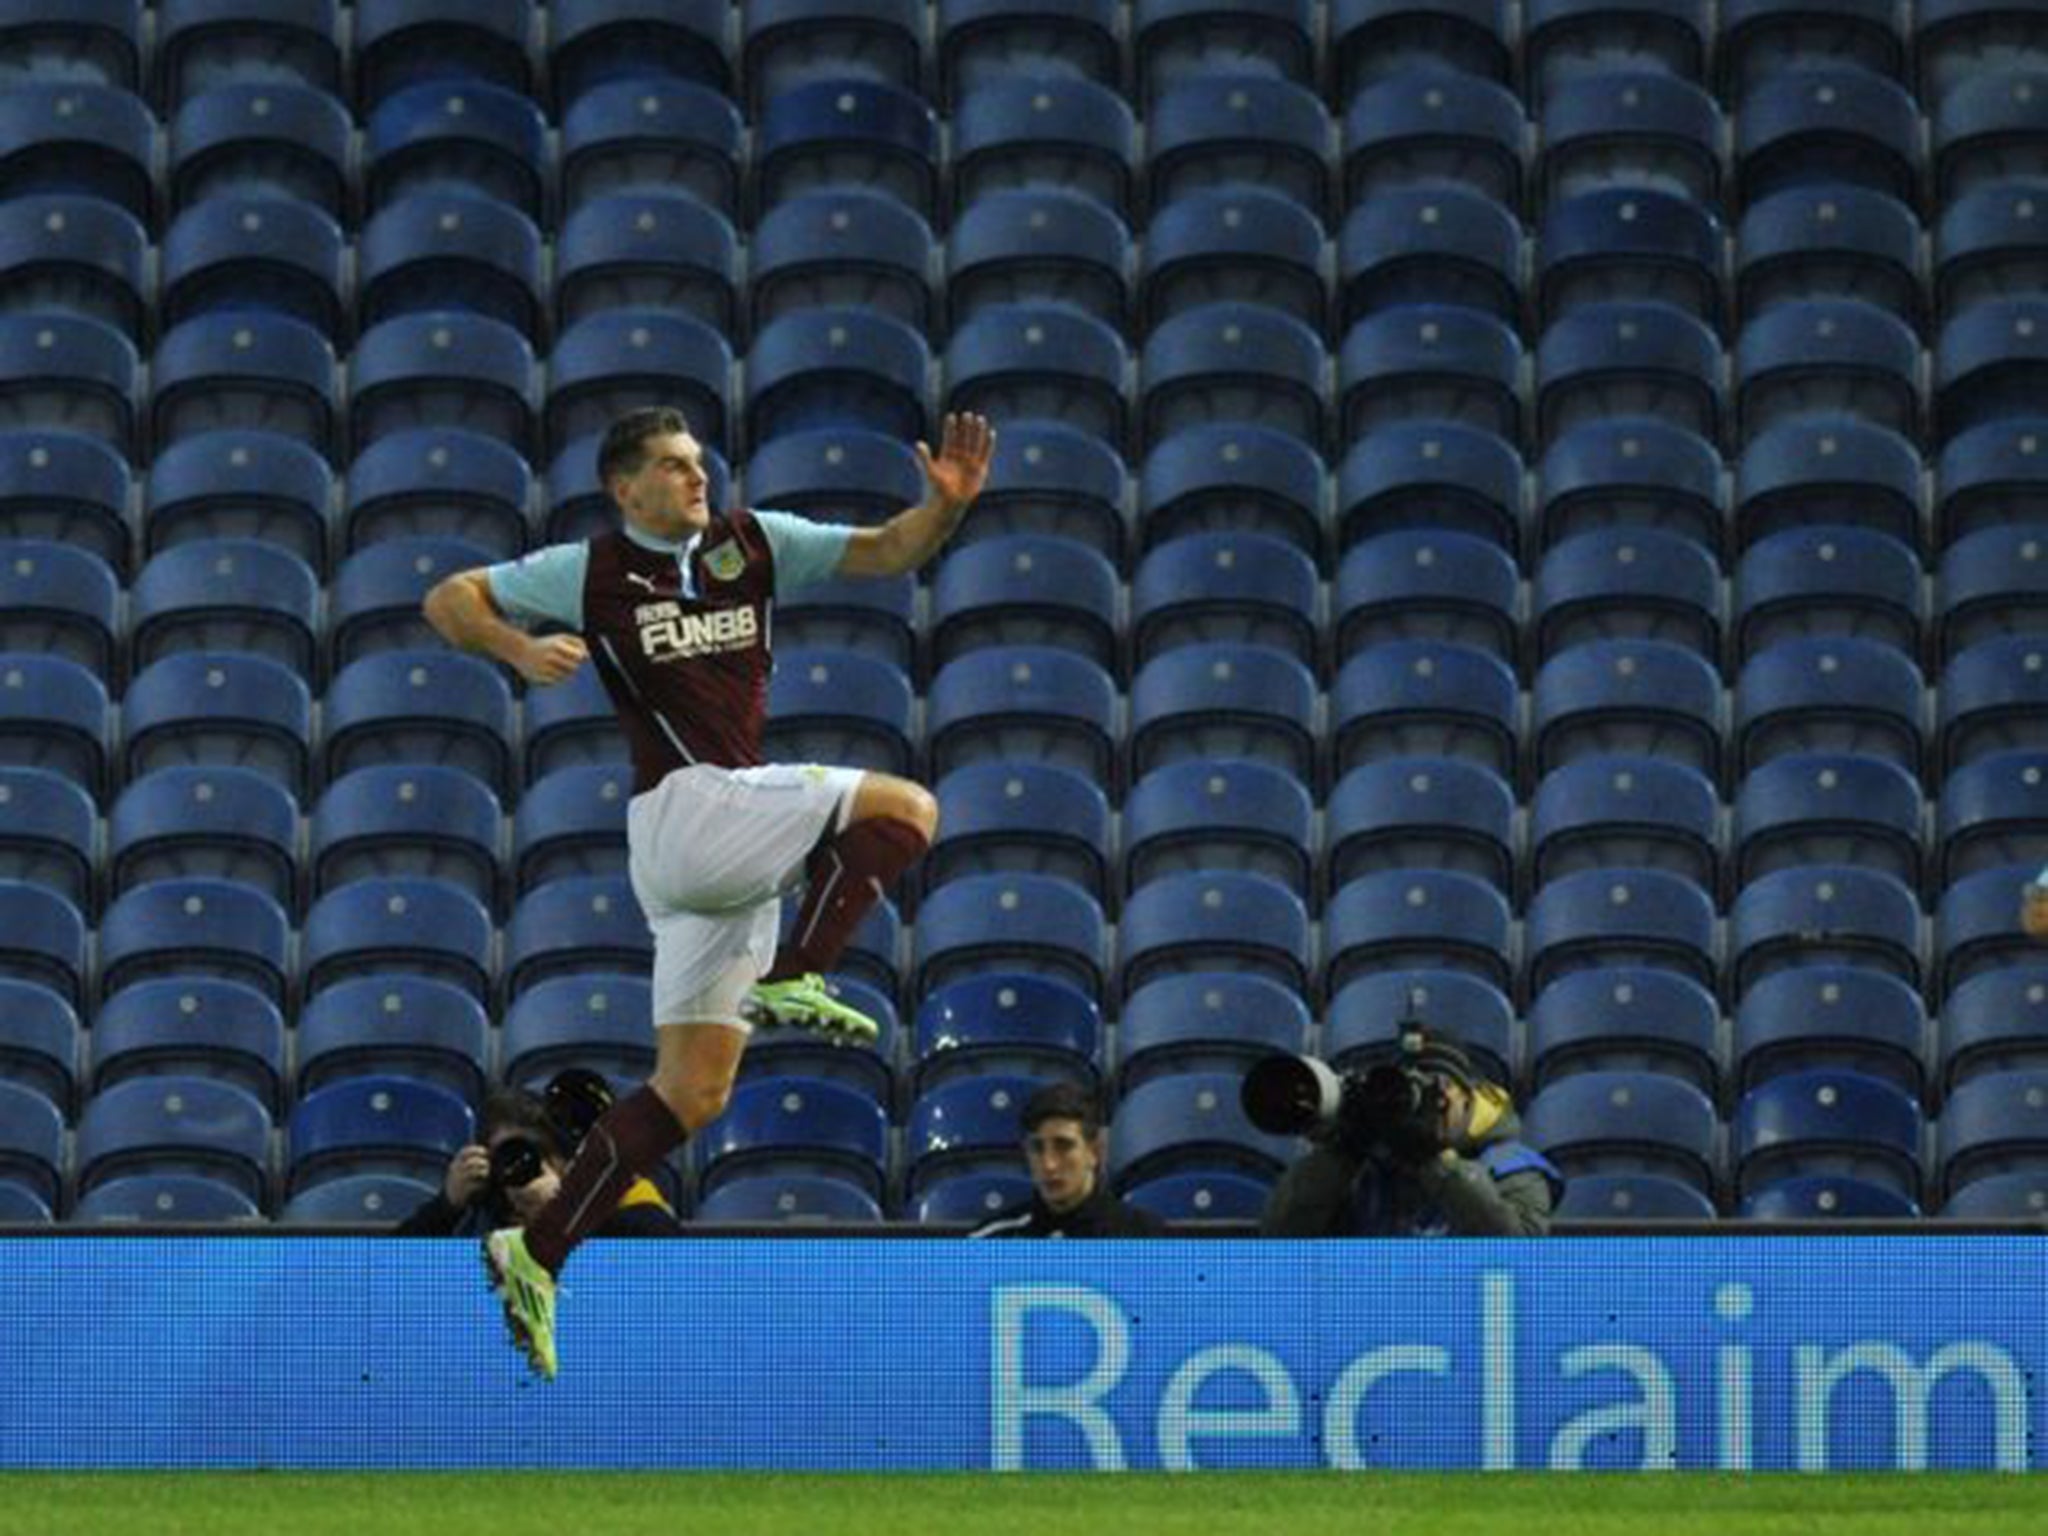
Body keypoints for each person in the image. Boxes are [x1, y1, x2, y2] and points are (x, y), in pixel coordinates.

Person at [423, 405, 994, 1377]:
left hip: (712, 847)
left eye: (698, 463)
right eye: (674, 466)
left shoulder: (754, 544)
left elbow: (889, 549)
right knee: (906, 806)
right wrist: (518, 651)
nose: (697, 477)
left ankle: (539, 1249)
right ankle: (800, 970)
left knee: (692, 1089)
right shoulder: (591, 571)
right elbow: (449, 598)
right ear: (623, 486)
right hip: (688, 808)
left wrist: (942, 507)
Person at [1257, 1035, 1561, 1238]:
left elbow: (1523, 1253)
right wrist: (1342, 1151)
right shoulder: (1364, 1164)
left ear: (1467, 1098)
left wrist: (1437, 1162)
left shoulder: (1511, 1166)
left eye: (1435, 1094)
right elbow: (1281, 1238)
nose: (1424, 1109)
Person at [395, 1078, 680, 1239]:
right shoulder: (484, 1201)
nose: (522, 1164)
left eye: (536, 1152)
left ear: (562, 1158)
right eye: (508, 1153)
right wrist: (446, 1205)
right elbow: (388, 1269)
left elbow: (666, 1244)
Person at [968, 1081, 1165, 1238]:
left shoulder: (1144, 1241)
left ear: (1096, 1151)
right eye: (1037, 1148)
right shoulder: (992, 1242)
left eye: (1064, 1146)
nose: (1049, 1164)